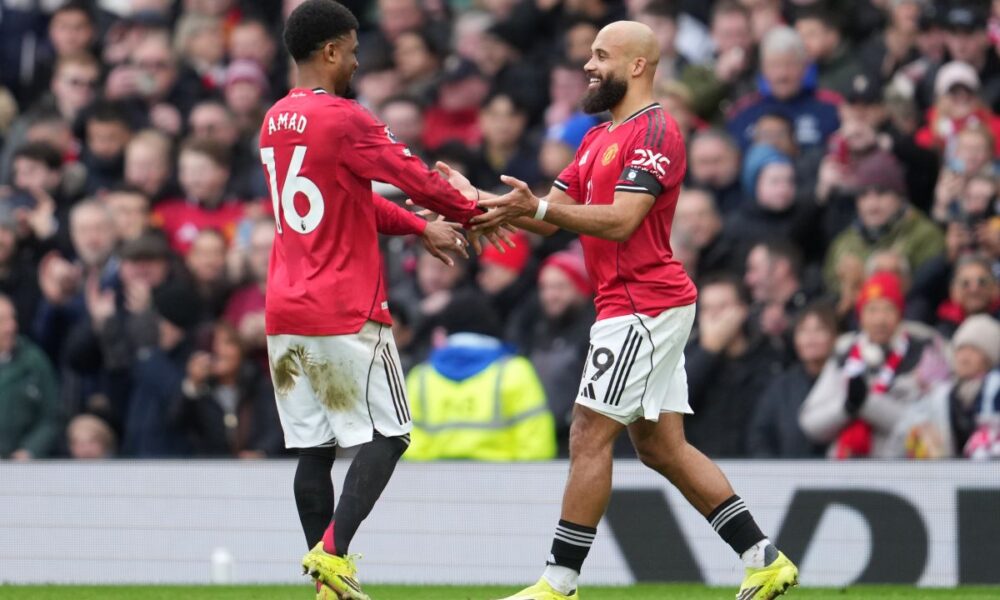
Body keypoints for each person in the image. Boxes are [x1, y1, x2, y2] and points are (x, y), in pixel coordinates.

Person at [455, 20, 798, 600]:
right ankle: (764, 560)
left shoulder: (657, 131)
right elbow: (548, 214)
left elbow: (621, 219)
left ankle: (558, 584)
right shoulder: (595, 139)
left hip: (644, 303)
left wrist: (536, 207)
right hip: (630, 304)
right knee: (662, 447)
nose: (588, 66)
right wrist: (474, 202)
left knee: (589, 431)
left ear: (637, 65)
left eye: (600, 55)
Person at [265, 3, 505, 599]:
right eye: (349, 49)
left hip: (286, 312)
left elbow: (350, 200)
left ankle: (325, 585)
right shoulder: (344, 118)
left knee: (315, 446)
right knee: (390, 434)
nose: (354, 60)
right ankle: (333, 555)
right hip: (343, 308)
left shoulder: (275, 119)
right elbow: (416, 176)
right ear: (328, 51)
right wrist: (477, 212)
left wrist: (421, 229)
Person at [799, 272, 950, 459]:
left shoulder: (924, 353)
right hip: (846, 469)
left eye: (888, 310)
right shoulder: (844, 355)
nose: (880, 320)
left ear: (900, 313)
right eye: (872, 310)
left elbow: (932, 425)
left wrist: (867, 403)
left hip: (903, 469)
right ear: (861, 316)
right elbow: (810, 423)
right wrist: (847, 407)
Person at [404, 290, 556, 461]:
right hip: (505, 484)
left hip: (433, 485)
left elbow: (410, 450)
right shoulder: (515, 371)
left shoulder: (421, 377)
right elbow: (536, 445)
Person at [748, 302, 837, 458]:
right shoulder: (782, 386)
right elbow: (760, 435)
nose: (811, 338)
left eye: (819, 330)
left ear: (834, 337)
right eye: (803, 331)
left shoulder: (844, 380)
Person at [0, 293, 61, 460]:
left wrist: (30, 450)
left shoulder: (34, 361)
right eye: (2, 321)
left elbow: (52, 416)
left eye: (12, 319)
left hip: (23, 467)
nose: (10, 327)